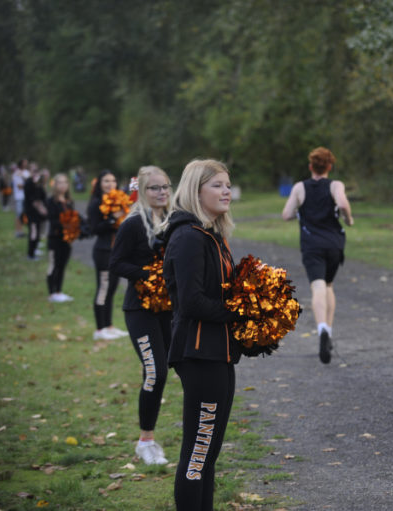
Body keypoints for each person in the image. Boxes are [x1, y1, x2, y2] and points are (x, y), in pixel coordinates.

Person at [159, 159, 242, 511]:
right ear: (196, 190)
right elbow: (191, 302)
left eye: (227, 185)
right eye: (217, 185)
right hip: (199, 354)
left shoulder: (212, 234)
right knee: (197, 453)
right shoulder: (189, 237)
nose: (226, 191)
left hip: (218, 353)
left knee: (208, 454)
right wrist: (240, 313)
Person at [110, 166, 173, 465]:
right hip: (140, 310)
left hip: (170, 310)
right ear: (142, 191)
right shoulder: (132, 224)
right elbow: (117, 263)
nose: (161, 192)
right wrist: (147, 276)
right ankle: (145, 441)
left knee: (178, 367)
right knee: (155, 372)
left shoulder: (175, 221)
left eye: (165, 187)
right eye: (155, 188)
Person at [281, 147, 353, 364]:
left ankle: (321, 328)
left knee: (318, 285)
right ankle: (328, 332)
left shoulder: (299, 188)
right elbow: (341, 203)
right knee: (329, 285)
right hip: (334, 244)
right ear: (330, 167)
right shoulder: (335, 185)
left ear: (311, 166)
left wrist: (301, 212)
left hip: (311, 244)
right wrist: (348, 219)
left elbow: (286, 215)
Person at [87, 170, 128, 341]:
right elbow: (94, 228)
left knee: (112, 289)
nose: (110, 184)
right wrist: (113, 219)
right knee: (103, 289)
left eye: (113, 180)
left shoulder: (119, 200)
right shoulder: (95, 203)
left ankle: (109, 325)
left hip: (116, 251)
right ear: (99, 183)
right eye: (106, 181)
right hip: (103, 251)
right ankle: (99, 329)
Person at [45, 173, 76, 302]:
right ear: (55, 185)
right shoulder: (51, 201)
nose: (63, 185)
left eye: (65, 182)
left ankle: (59, 291)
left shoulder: (69, 201)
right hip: (55, 238)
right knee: (54, 265)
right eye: (60, 183)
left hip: (66, 240)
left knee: (62, 265)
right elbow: (53, 220)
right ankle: (52, 293)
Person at [23, 165, 48, 260]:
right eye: (34, 171)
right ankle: (31, 254)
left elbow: (42, 196)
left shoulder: (38, 183)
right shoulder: (29, 183)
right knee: (33, 232)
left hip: (38, 213)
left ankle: (34, 250)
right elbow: (32, 200)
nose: (35, 173)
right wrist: (42, 209)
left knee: (37, 232)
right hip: (31, 213)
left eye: (37, 171)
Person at [12, 160, 30, 237]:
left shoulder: (26, 172)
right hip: (19, 197)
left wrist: (24, 178)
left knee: (26, 215)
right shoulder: (16, 173)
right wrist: (28, 184)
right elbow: (19, 186)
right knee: (19, 215)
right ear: (21, 164)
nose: (26, 163)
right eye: (24, 162)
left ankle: (24, 231)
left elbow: (29, 182)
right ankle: (18, 232)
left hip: (26, 196)